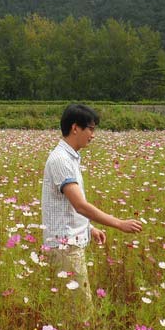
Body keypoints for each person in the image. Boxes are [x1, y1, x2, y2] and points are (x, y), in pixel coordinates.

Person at [41, 104, 143, 303]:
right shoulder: (61, 159)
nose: (93, 135)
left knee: (72, 305)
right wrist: (119, 223)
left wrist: (89, 228)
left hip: (70, 241)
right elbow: (80, 205)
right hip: (65, 246)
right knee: (79, 309)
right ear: (75, 128)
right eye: (91, 129)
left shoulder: (69, 157)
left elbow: (68, 206)